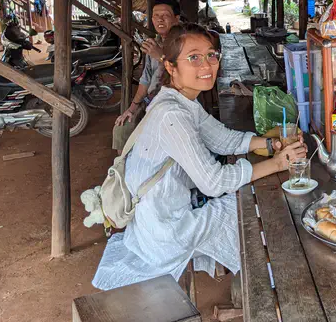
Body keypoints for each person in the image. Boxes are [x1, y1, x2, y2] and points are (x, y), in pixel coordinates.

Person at [93, 23, 306, 290]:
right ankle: (275, 288)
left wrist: (272, 144)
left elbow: (222, 138)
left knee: (247, 203)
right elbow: (213, 182)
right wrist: (276, 164)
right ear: (170, 67)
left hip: (162, 216)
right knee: (253, 209)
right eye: (193, 57)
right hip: (165, 229)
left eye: (211, 55)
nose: (206, 65)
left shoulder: (182, 102)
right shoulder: (172, 115)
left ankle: (262, 279)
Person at [112, 0, 181, 152]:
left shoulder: (184, 42)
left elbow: (185, 77)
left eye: (165, 15)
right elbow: (146, 79)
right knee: (122, 128)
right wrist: (132, 108)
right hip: (152, 101)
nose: (159, 20)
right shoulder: (154, 42)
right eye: (156, 16)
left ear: (176, 19)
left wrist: (161, 57)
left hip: (174, 104)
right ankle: (123, 167)